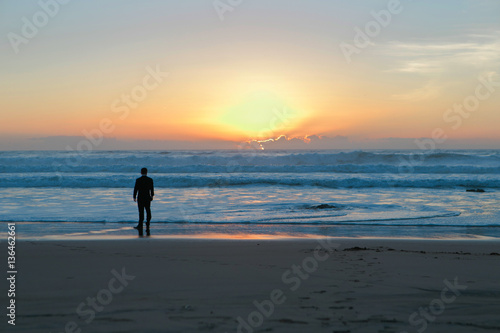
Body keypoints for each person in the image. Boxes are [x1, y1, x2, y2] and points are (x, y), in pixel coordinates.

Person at [133, 168, 154, 235]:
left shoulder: (138, 180)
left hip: (140, 197)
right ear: (147, 172)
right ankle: (148, 223)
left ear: (141, 172)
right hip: (147, 197)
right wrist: (152, 196)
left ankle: (140, 225)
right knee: (148, 210)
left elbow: (136, 189)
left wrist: (134, 196)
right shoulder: (150, 180)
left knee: (141, 211)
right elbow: (152, 189)